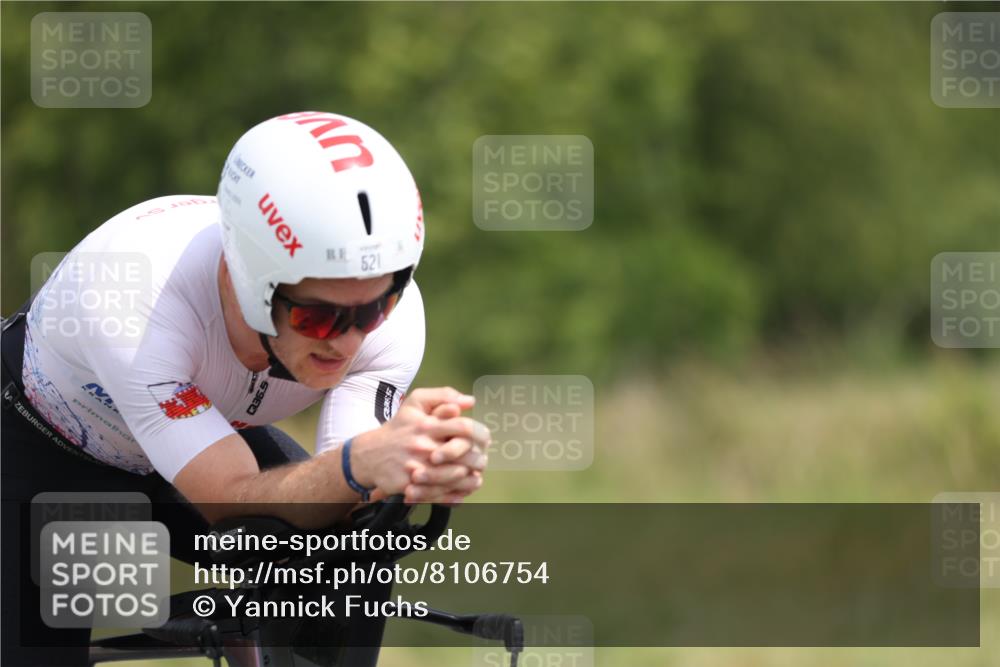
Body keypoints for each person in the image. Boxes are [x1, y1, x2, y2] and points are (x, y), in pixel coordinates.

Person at [0, 110, 491, 666]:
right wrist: (361, 464)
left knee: (349, 553)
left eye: (376, 307)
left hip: (198, 433)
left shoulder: (392, 323)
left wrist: (414, 462)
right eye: (320, 318)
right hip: (44, 444)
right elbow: (229, 496)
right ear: (247, 280)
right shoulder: (135, 295)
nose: (350, 341)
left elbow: (344, 488)